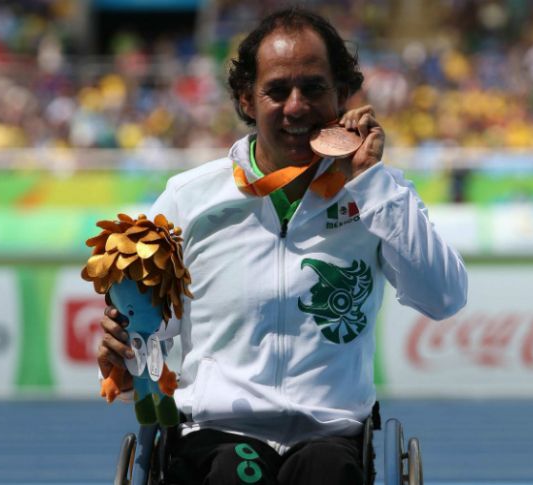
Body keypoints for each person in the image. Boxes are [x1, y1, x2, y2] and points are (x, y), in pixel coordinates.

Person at [97, 7, 468, 485]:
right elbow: (153, 327)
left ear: (341, 96)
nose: (296, 107)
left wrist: (371, 183)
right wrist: (127, 350)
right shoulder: (190, 199)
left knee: (324, 471)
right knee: (234, 473)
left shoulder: (378, 194)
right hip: (216, 435)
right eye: (277, 90)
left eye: (314, 88)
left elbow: (444, 297)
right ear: (247, 100)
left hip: (331, 438)